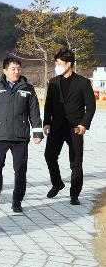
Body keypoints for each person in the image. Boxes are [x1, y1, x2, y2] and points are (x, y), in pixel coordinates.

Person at [0, 56, 43, 212]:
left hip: (20, 136)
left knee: (20, 169)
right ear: (5, 71)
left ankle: (17, 200)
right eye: (13, 69)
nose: (16, 71)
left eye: (19, 68)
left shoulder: (28, 88)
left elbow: (34, 113)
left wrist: (37, 132)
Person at [44, 47, 96, 205]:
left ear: (68, 64)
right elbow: (48, 105)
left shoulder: (83, 83)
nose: (56, 65)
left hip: (75, 128)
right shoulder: (53, 82)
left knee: (76, 162)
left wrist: (84, 124)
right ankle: (57, 183)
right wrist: (46, 122)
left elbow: (91, 106)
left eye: (58, 63)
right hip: (57, 126)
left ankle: (74, 194)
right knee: (49, 156)